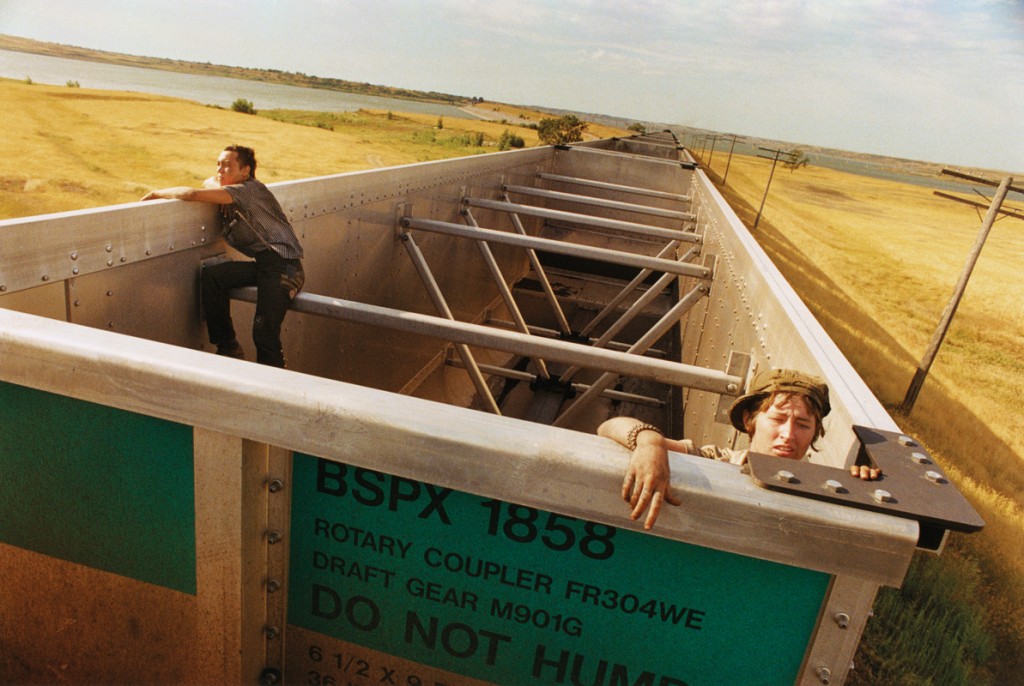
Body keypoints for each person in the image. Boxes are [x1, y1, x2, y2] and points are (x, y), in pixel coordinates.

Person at [598, 368, 882, 530]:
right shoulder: (717, 461)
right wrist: (650, 442)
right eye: (778, 419)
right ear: (749, 420)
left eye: (803, 425)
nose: (788, 434)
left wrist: (864, 486)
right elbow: (609, 426)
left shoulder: (825, 487)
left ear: (814, 433)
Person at [142, 145, 305, 367]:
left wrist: (156, 193)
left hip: (285, 269)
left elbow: (193, 194)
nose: (220, 170)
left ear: (245, 171)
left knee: (264, 333)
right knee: (213, 276)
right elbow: (210, 181)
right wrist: (218, 181)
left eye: (227, 165)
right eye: (218, 164)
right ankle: (228, 347)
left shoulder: (248, 190)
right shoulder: (232, 190)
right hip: (265, 266)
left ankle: (275, 383)